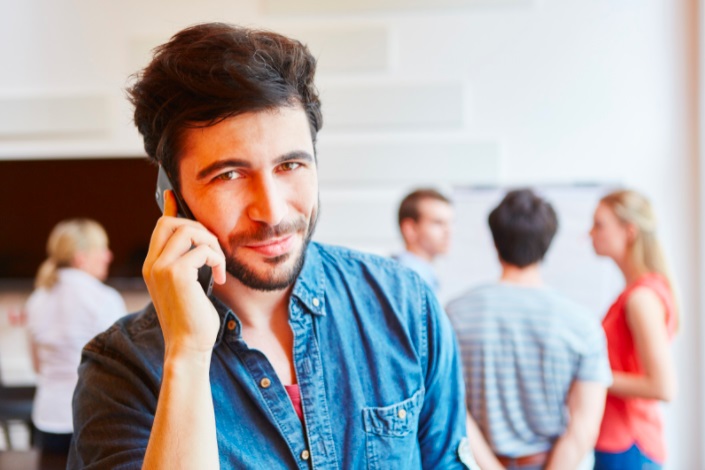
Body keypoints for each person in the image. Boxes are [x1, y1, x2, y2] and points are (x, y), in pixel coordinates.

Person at [68, 23, 473, 469]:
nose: (273, 211)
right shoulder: (120, 370)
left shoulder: (403, 305)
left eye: (291, 164)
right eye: (229, 175)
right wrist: (186, 353)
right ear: (172, 198)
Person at [446, 189, 611, 470]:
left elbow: (454, 409)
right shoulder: (581, 324)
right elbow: (583, 428)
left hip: (477, 463)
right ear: (548, 243)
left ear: (495, 242)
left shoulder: (455, 314)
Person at [590, 190, 678, 470]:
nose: (591, 233)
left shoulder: (641, 299)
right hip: (621, 443)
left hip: (628, 444)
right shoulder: (637, 293)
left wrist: (591, 375)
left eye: (599, 224)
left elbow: (663, 387)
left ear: (629, 231)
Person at [25, 218, 126, 461]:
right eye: (102, 249)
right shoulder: (104, 299)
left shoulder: (36, 299)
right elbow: (122, 369)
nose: (108, 256)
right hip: (91, 419)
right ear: (81, 257)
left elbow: (37, 365)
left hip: (47, 418)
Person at [394, 188, 454, 293]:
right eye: (438, 223)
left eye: (450, 223)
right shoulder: (407, 280)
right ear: (410, 229)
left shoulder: (424, 275)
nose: (448, 231)